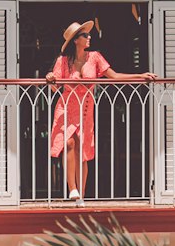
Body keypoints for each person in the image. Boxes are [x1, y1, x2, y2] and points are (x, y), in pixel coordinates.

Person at [46, 20, 153, 201]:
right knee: (69, 143)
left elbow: (114, 75)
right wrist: (50, 78)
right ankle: (72, 189)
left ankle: (82, 195)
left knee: (83, 150)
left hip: (86, 108)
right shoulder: (63, 61)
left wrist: (141, 75)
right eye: (85, 35)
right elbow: (55, 87)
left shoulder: (94, 57)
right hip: (67, 106)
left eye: (88, 35)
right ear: (75, 40)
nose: (89, 37)